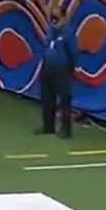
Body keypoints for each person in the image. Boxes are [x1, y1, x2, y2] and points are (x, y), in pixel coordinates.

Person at [38, 8, 76, 139]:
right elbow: (46, 47)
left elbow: (74, 53)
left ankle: (66, 131)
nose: (54, 22)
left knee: (64, 100)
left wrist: (70, 69)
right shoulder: (51, 31)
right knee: (47, 99)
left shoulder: (69, 33)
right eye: (52, 19)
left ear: (64, 19)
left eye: (57, 19)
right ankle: (48, 127)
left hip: (62, 70)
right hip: (47, 69)